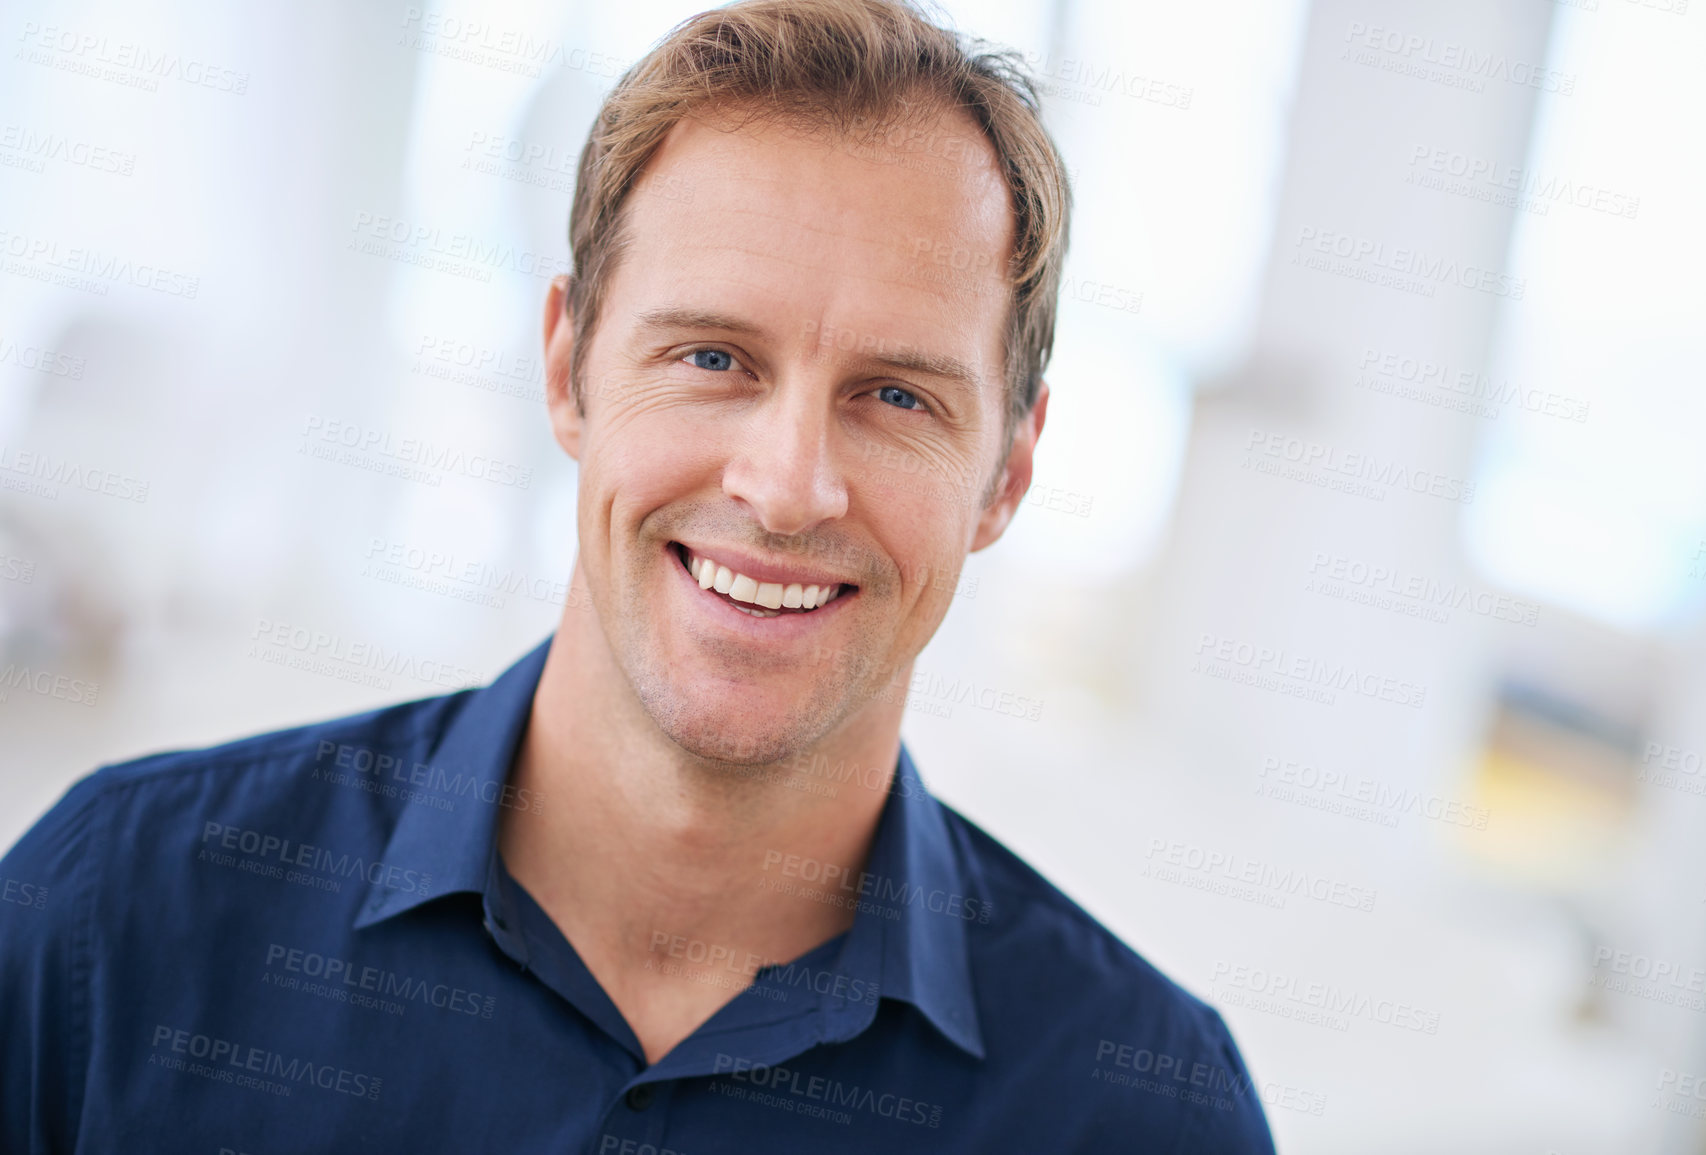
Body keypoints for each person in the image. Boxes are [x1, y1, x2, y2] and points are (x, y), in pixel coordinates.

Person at [0, 1, 1275, 1150]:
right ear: (567, 369)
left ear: (1007, 471)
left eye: (895, 395)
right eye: (714, 357)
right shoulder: (113, 920)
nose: (786, 488)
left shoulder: (1145, 1111)